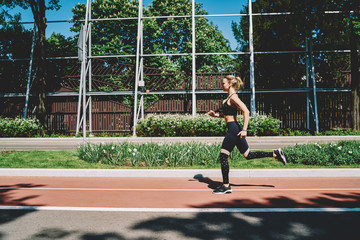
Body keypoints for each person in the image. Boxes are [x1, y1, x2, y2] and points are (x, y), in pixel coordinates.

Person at [207, 75, 287, 194]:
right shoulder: (229, 98)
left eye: (223, 83)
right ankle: (275, 154)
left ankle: (226, 186)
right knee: (248, 155)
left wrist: (244, 130)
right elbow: (228, 115)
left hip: (234, 129)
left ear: (229, 84)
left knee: (223, 156)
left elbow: (246, 111)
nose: (221, 85)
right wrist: (216, 116)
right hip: (234, 128)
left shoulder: (233, 97)